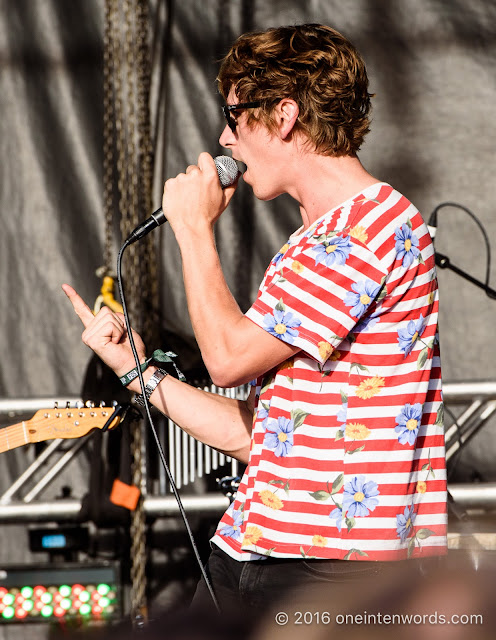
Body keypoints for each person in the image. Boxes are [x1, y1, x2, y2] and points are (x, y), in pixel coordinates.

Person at [63, 23, 447, 621]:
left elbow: (226, 358)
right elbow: (264, 436)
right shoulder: (312, 242)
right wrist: (135, 371)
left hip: (330, 571)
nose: (223, 137)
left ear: (284, 115)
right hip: (252, 548)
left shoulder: (370, 230)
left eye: (235, 115)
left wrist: (192, 229)